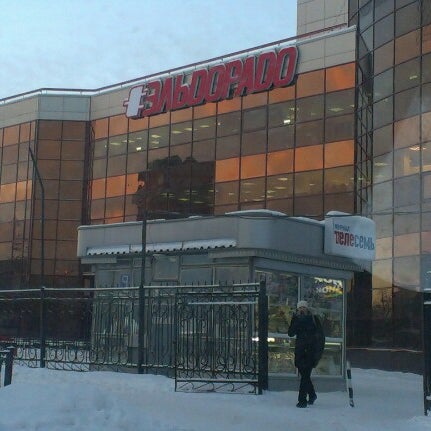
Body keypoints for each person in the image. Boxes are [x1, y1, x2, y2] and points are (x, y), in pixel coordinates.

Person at [288, 300, 323, 408]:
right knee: (304, 375)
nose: (302, 309)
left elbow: (320, 335)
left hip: (310, 351)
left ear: (307, 308)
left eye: (304, 307)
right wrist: (297, 321)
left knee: (305, 376)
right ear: (297, 309)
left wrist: (317, 350)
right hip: (300, 351)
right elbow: (290, 333)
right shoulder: (296, 318)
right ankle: (312, 395)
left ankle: (302, 400)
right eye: (300, 308)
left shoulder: (313, 319)